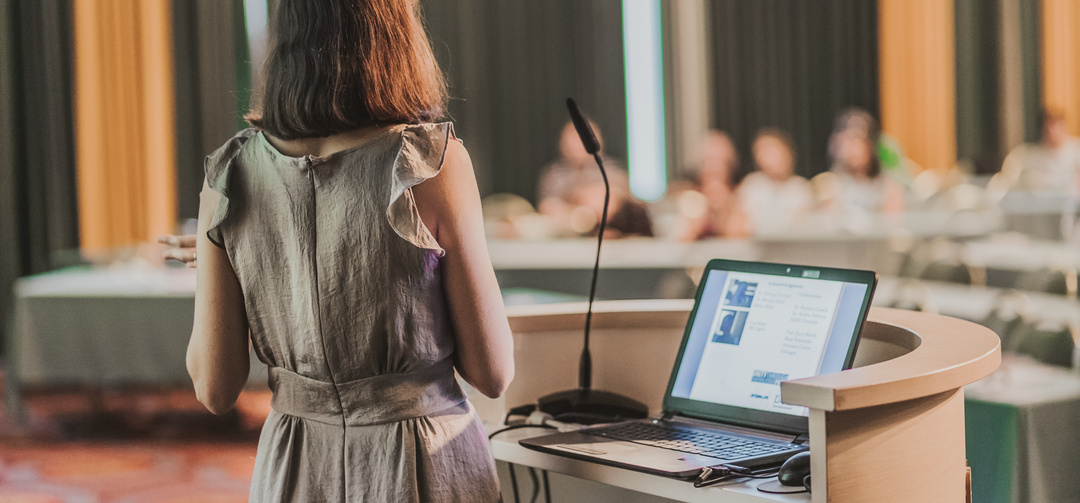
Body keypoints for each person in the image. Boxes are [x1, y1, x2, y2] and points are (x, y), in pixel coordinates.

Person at [172, 1, 513, 501]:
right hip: (419, 463)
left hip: (295, 466)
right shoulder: (429, 163)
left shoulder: (228, 176)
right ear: (393, 30)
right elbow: (493, 371)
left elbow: (214, 390)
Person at [536, 120, 652, 237]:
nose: (577, 144)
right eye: (573, 138)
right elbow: (548, 207)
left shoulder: (612, 171)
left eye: (582, 137)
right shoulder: (553, 175)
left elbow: (627, 204)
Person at [727, 128, 814, 236]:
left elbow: (807, 228)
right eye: (763, 152)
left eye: (773, 151)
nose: (770, 157)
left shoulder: (800, 187)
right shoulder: (751, 185)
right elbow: (735, 227)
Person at [816, 108, 904, 215]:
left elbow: (893, 225)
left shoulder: (888, 188)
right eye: (847, 141)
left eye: (859, 141)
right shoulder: (828, 186)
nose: (853, 149)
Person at [1007, 107, 1080, 193]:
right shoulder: (1026, 155)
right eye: (1047, 126)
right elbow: (1009, 184)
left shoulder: (1076, 150)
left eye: (1055, 125)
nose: (1052, 131)